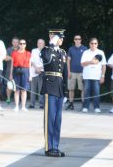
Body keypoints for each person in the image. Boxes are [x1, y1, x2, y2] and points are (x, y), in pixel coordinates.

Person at [41, 29, 67, 157]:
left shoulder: (63, 52)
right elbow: (46, 59)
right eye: (59, 37)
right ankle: (48, 147)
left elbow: (65, 72)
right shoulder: (46, 50)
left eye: (61, 37)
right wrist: (51, 44)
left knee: (58, 120)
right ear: (52, 37)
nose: (61, 39)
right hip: (50, 86)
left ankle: (55, 146)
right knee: (50, 118)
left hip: (59, 88)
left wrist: (66, 90)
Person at [81, 38, 106, 113]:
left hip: (97, 76)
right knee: (86, 92)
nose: (93, 45)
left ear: (97, 44)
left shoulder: (101, 52)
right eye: (92, 43)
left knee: (96, 92)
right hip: (87, 75)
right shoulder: (85, 52)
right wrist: (91, 62)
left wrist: (103, 76)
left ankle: (96, 107)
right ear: (89, 44)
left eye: (95, 43)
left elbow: (104, 65)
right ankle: (85, 107)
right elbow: (82, 64)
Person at [66, 34, 87, 110]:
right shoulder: (71, 49)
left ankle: (83, 105)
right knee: (71, 89)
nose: (77, 40)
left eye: (79, 39)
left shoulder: (85, 48)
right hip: (72, 72)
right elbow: (68, 61)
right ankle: (71, 104)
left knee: (82, 89)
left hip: (82, 72)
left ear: (81, 40)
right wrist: (68, 72)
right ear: (74, 40)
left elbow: (87, 61)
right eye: (76, 39)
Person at [10, 39, 31, 112]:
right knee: (16, 90)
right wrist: (10, 74)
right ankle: (16, 106)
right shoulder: (14, 53)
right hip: (16, 70)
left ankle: (23, 106)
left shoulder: (28, 53)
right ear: (19, 44)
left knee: (24, 90)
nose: (22, 45)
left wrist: (30, 75)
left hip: (25, 70)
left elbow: (30, 65)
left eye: (23, 43)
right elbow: (12, 65)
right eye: (21, 43)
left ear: (25, 44)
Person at [29, 39, 45, 109]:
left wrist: (40, 68)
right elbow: (31, 61)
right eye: (39, 43)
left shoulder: (46, 51)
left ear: (44, 44)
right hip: (34, 71)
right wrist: (36, 68)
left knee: (41, 89)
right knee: (33, 89)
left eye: (41, 43)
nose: (40, 44)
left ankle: (41, 104)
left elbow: (47, 62)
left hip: (42, 71)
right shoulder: (34, 51)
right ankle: (32, 104)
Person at [4, 37, 19, 104]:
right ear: (12, 42)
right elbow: (5, 58)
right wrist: (13, 58)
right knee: (9, 85)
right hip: (9, 70)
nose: (15, 43)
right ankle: (8, 98)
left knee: (18, 85)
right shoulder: (9, 50)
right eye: (14, 42)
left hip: (19, 70)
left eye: (17, 42)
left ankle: (17, 99)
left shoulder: (21, 49)